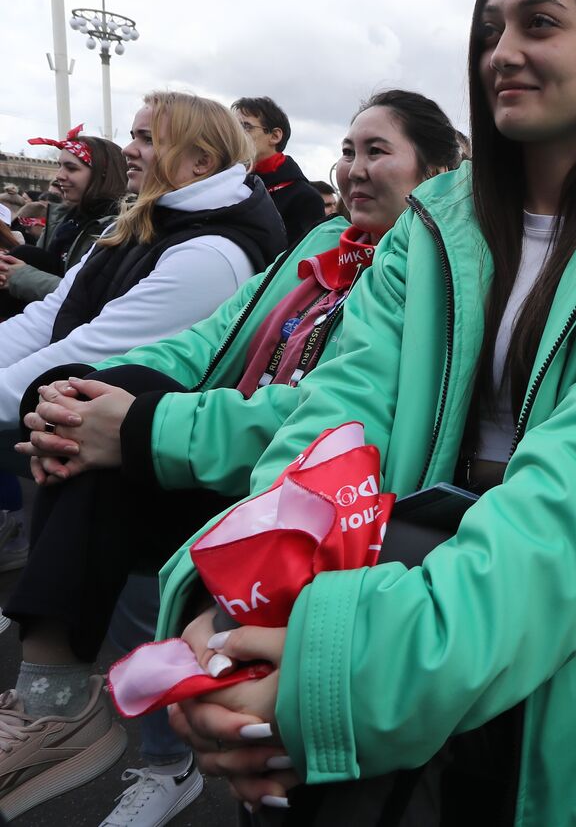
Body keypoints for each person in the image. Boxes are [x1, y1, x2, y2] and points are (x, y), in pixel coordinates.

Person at [153, 0, 576, 824]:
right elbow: (334, 417)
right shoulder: (431, 227)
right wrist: (235, 604)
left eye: (539, 23)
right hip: (400, 584)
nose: (503, 51)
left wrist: (349, 670)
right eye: (489, 29)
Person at [4, 89, 460, 825]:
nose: (352, 169)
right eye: (346, 150)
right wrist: (80, 396)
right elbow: (209, 339)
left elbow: (327, 422)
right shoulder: (316, 245)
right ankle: (54, 702)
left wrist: (142, 424)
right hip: (219, 454)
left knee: (112, 443)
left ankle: (67, 707)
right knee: (88, 403)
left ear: (438, 171)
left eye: (377, 151)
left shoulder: (433, 277)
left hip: (312, 498)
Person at [0, 93, 286, 436]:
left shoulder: (211, 256)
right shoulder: (132, 224)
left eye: (148, 139)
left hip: (121, 450)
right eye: (134, 135)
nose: (128, 149)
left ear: (202, 161)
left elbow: (91, 353)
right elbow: (49, 316)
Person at [0, 127, 125, 314]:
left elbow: (95, 299)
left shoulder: (120, 227)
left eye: (71, 168)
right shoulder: (64, 220)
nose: (59, 176)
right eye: (60, 166)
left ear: (102, 174)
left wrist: (21, 277)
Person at [233, 96, 327, 247]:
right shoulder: (229, 184)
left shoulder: (305, 198)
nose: (235, 135)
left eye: (245, 127)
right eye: (234, 127)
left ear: (275, 136)